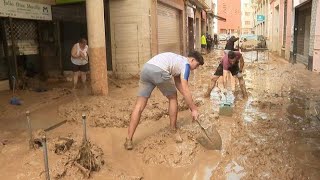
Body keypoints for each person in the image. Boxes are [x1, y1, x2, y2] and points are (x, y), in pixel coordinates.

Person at [124, 51, 204, 150]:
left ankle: (129, 139)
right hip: (159, 71)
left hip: (146, 69)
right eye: (196, 65)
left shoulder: (177, 61)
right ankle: (173, 129)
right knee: (173, 98)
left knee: (139, 106)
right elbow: (185, 88)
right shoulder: (186, 65)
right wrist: (194, 109)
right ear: (192, 60)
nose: (195, 68)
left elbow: (179, 85)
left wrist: (190, 101)